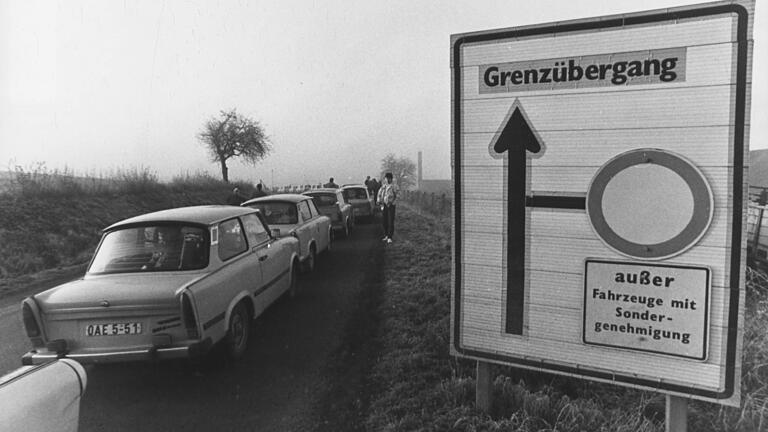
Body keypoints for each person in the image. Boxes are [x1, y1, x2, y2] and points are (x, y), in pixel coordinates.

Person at [377, 172, 398, 243]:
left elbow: (398, 195)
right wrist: (379, 201)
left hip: (391, 205)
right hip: (384, 205)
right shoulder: (383, 186)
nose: (388, 180)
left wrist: (393, 203)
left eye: (389, 178)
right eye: (387, 178)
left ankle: (390, 237)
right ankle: (386, 235)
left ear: (391, 179)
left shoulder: (394, 186)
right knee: (384, 221)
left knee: (390, 221)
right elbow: (379, 194)